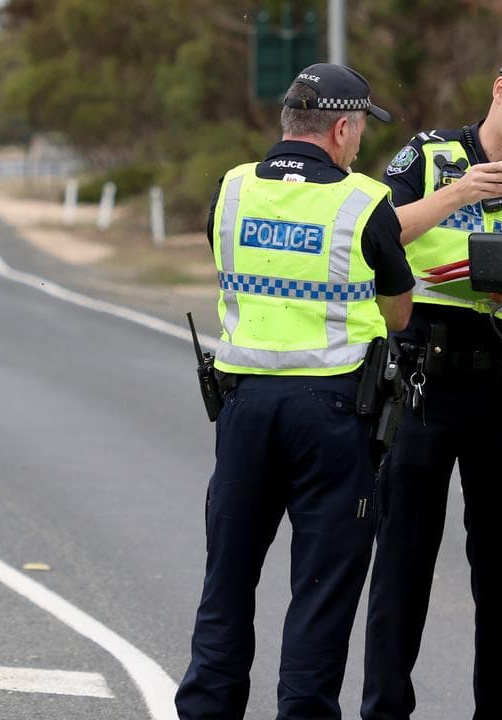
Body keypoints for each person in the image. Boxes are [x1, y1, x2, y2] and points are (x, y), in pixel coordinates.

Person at [175, 63, 414, 720]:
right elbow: (397, 315)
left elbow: (229, 269)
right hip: (333, 417)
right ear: (342, 127)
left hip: (244, 407)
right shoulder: (364, 204)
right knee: (321, 594)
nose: (360, 142)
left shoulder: (231, 191)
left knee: (226, 585)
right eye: (361, 128)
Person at [360, 45, 502, 720]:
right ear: (498, 90)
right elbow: (380, 235)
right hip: (424, 383)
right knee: (402, 563)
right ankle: (384, 710)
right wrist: (461, 193)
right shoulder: (429, 158)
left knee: (501, 572)